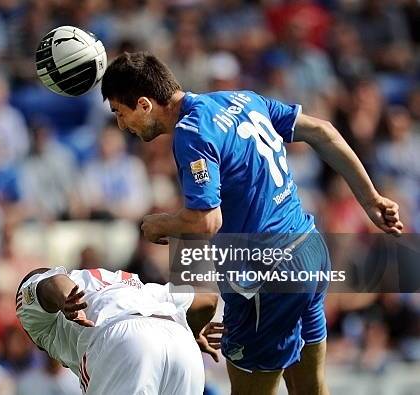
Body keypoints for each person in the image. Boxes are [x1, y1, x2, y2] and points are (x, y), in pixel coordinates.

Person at [100, 52, 404, 395]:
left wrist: (161, 225)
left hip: (266, 275)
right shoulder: (240, 98)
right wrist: (370, 199)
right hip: (308, 249)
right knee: (312, 389)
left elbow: (205, 221)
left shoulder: (191, 133)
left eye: (119, 113)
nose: (122, 126)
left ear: (143, 104)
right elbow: (322, 131)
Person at [16, 266, 223, 395]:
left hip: (121, 340)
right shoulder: (137, 287)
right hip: (184, 347)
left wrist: (66, 297)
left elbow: (49, 282)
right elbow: (208, 300)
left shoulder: (37, 321)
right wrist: (193, 333)